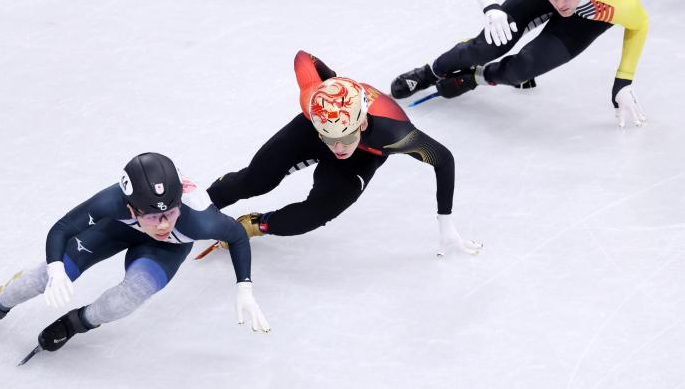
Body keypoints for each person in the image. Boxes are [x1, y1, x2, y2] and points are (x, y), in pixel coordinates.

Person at [0, 153, 269, 358]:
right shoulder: (111, 202)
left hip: (166, 250)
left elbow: (237, 236)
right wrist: (56, 269)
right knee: (41, 278)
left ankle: (75, 323)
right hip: (115, 229)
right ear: (131, 208)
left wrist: (245, 287)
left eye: (170, 212)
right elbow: (62, 228)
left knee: (128, 298)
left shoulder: (200, 220)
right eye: (153, 216)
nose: (163, 224)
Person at [205, 51, 480, 257]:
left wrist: (445, 223)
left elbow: (444, 159)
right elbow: (303, 57)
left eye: (345, 138)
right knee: (255, 180)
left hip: (365, 154)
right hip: (314, 128)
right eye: (331, 140)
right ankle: (198, 205)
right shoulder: (314, 100)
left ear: (362, 124)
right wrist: (331, 82)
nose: (338, 147)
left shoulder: (396, 133)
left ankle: (255, 225)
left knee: (316, 213)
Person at [390, 0, 649, 128]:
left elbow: (639, 25)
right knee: (485, 47)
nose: (560, 2)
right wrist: (491, 8)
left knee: (521, 70)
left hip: (592, 13)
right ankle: (429, 72)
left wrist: (623, 82)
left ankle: (475, 78)